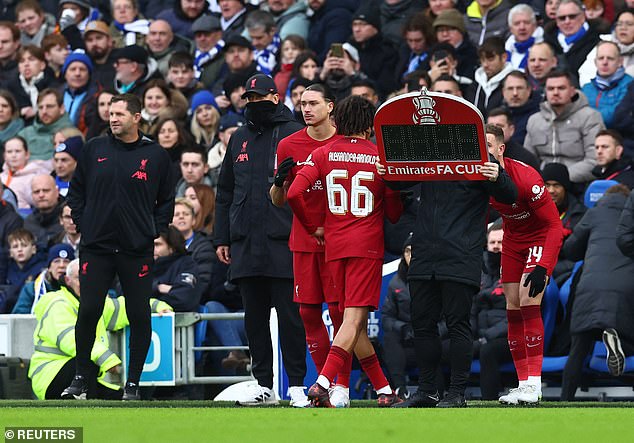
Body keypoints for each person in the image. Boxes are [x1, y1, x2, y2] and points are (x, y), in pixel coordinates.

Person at [377, 121, 518, 409]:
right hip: (425, 253)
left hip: (460, 255)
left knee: (457, 325)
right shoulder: (433, 158)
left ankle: (457, 393)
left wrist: (498, 176)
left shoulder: (482, 166)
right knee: (423, 324)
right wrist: (386, 172)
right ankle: (427, 391)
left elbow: (510, 195)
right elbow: (401, 179)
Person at [287, 94, 403, 408]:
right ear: (369, 126)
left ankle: (383, 390)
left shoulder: (323, 153)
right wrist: (391, 181)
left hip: (333, 247)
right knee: (352, 322)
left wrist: (313, 227)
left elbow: (295, 192)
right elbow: (393, 213)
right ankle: (323, 382)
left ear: (338, 121)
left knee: (353, 324)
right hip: (365, 247)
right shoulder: (380, 156)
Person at [63, 93, 175, 401]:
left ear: (136, 117)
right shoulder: (93, 149)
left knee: (139, 313)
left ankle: (134, 383)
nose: (113, 118)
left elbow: (166, 198)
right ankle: (82, 377)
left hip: (135, 248)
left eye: (119, 114)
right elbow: (76, 193)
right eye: (110, 114)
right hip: (96, 247)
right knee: (88, 310)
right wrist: (85, 223)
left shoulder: (155, 155)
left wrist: (156, 229)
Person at [213, 73, 308, 407]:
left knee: (291, 317)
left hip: (285, 239)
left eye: (259, 98)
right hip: (245, 241)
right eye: (249, 99)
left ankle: (297, 384)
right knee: (253, 318)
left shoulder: (296, 134)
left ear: (275, 97)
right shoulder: (238, 137)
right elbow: (224, 191)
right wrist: (221, 237)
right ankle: (262, 383)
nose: (254, 104)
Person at [269, 84, 349, 407]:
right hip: (302, 242)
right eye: (302, 103)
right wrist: (277, 183)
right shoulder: (288, 145)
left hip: (337, 242)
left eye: (313, 103)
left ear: (330, 107)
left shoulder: (345, 144)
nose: (306, 109)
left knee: (340, 313)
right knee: (308, 314)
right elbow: (277, 200)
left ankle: (341, 387)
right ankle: (323, 389)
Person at [484, 124, 563, 405]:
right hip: (513, 241)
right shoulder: (481, 176)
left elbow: (554, 225)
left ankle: (534, 383)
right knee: (512, 309)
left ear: (501, 148)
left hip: (539, 237)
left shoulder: (526, 177)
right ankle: (522, 384)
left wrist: (543, 265)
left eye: (489, 146)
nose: (484, 151)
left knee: (530, 302)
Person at [29, 258, 173, 400]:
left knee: (125, 398)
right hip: (50, 377)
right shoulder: (57, 302)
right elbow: (70, 338)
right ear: (67, 280)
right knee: (86, 361)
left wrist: (157, 306)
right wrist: (106, 359)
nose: (88, 283)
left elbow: (125, 307)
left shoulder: (96, 303)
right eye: (82, 278)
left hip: (84, 376)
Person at [560, 184, 634, 400]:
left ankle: (564, 401)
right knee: (628, 335)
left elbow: (570, 250)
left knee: (578, 349)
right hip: (626, 286)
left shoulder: (594, 213)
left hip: (589, 286)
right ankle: (620, 343)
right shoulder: (630, 214)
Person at [525, 70, 604, 184]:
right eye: (551, 89)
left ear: (572, 91)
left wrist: (559, 180)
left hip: (577, 184)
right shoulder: (534, 120)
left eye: (561, 88)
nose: (556, 92)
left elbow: (594, 160)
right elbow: (528, 161)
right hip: (541, 185)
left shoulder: (590, 117)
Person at [382, 234, 416, 400]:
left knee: (433, 342)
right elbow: (387, 317)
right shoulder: (396, 282)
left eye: (415, 251)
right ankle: (399, 389)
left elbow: (446, 319)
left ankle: (433, 390)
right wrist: (402, 328)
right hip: (406, 339)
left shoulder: (434, 279)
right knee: (390, 338)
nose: (411, 256)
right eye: (408, 251)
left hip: (430, 336)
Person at [581, 41, 634, 128]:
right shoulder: (586, 88)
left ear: (620, 62)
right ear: (595, 62)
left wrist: (587, 117)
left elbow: (615, 116)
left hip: (618, 137)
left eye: (610, 58)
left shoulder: (630, 85)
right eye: (601, 58)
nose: (605, 62)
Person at [11, 243, 74, 314]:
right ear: (49, 267)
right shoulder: (32, 289)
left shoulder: (78, 288)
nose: (61, 265)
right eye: (56, 261)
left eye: (66, 261)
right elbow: (19, 316)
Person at [152, 225, 201, 312]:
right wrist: (158, 287)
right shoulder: (141, 266)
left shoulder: (187, 264)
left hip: (176, 323)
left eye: (157, 245)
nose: (152, 249)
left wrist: (149, 297)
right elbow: (124, 294)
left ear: (172, 247)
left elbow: (184, 299)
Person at [0, 228, 45, 314]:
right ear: (10, 253)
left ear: (33, 249)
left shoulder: (41, 269)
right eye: (15, 246)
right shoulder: (6, 269)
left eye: (24, 245)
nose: (20, 250)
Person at [1, 137, 50, 210]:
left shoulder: (36, 177)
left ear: (27, 154)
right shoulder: (1, 176)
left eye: (17, 151)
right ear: (4, 156)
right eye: (9, 152)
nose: (13, 155)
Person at [24, 175, 64, 250]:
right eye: (36, 192)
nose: (41, 195)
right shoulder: (28, 223)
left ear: (57, 192)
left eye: (46, 190)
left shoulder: (69, 217)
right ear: (32, 195)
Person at [504, 4, 544, 71]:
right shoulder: (506, 50)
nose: (522, 27)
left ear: (534, 25)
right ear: (510, 28)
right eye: (517, 23)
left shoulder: (544, 46)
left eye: (526, 23)